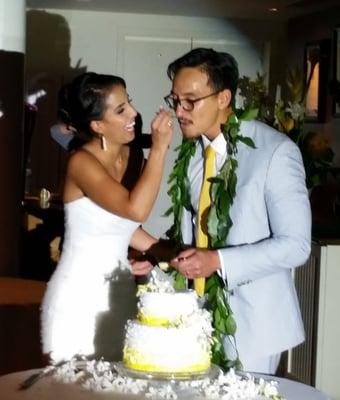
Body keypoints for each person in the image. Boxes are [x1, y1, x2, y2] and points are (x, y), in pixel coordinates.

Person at [165, 48, 311, 374]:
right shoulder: (192, 157)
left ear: (223, 97)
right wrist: (161, 257)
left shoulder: (274, 152)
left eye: (190, 100)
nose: (179, 110)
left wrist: (218, 261)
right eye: (174, 100)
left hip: (253, 325)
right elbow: (196, 238)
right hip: (196, 319)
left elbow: (296, 245)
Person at [41, 72, 173, 363]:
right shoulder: (81, 162)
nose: (135, 114)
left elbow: (124, 226)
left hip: (119, 293)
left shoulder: (134, 156)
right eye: (121, 109)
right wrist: (160, 148)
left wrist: (169, 253)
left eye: (130, 103)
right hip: (79, 296)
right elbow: (135, 209)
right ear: (97, 125)